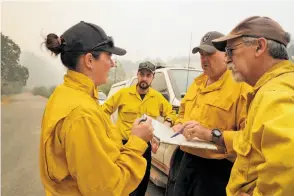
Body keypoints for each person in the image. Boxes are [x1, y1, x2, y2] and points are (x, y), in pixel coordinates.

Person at [39, 21, 154, 196]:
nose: (112, 64)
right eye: (108, 57)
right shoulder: (82, 114)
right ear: (90, 60)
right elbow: (106, 189)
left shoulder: (66, 94)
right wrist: (137, 142)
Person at [184, 16, 294, 195]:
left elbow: (288, 165)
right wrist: (214, 136)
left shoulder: (276, 94)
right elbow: (251, 143)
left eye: (231, 50)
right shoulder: (267, 90)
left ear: (259, 47)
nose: (227, 58)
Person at [169, 31, 252, 196]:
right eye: (201, 54)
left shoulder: (241, 86)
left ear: (225, 54)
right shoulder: (197, 83)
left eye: (209, 54)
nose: (203, 59)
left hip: (217, 171)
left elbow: (248, 140)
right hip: (186, 161)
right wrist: (178, 124)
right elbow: (182, 112)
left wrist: (208, 134)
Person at [102, 61, 177, 196]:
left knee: (142, 184)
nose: (144, 78)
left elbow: (171, 113)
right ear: (137, 74)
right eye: (142, 74)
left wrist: (164, 128)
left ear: (152, 77)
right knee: (122, 185)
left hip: (144, 148)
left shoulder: (157, 97)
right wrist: (110, 133)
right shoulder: (123, 94)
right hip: (123, 146)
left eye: (148, 75)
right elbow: (103, 111)